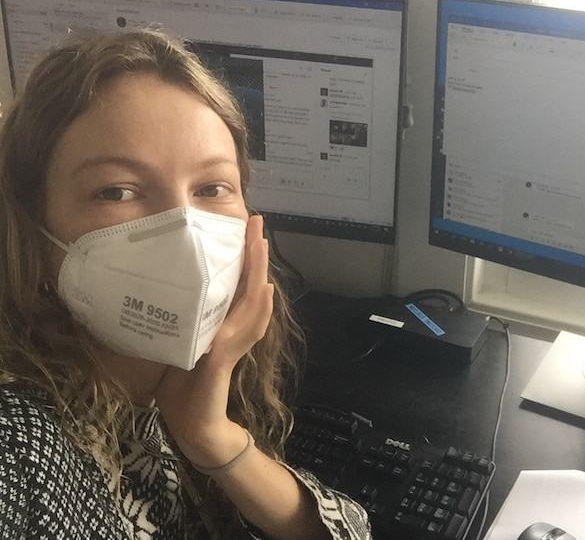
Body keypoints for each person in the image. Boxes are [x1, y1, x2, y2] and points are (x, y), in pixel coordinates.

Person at [0, 28, 371, 539]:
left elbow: (350, 531)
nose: (185, 233)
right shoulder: (21, 451)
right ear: (32, 235)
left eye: (212, 187)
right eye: (117, 191)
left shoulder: (181, 393)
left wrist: (211, 435)